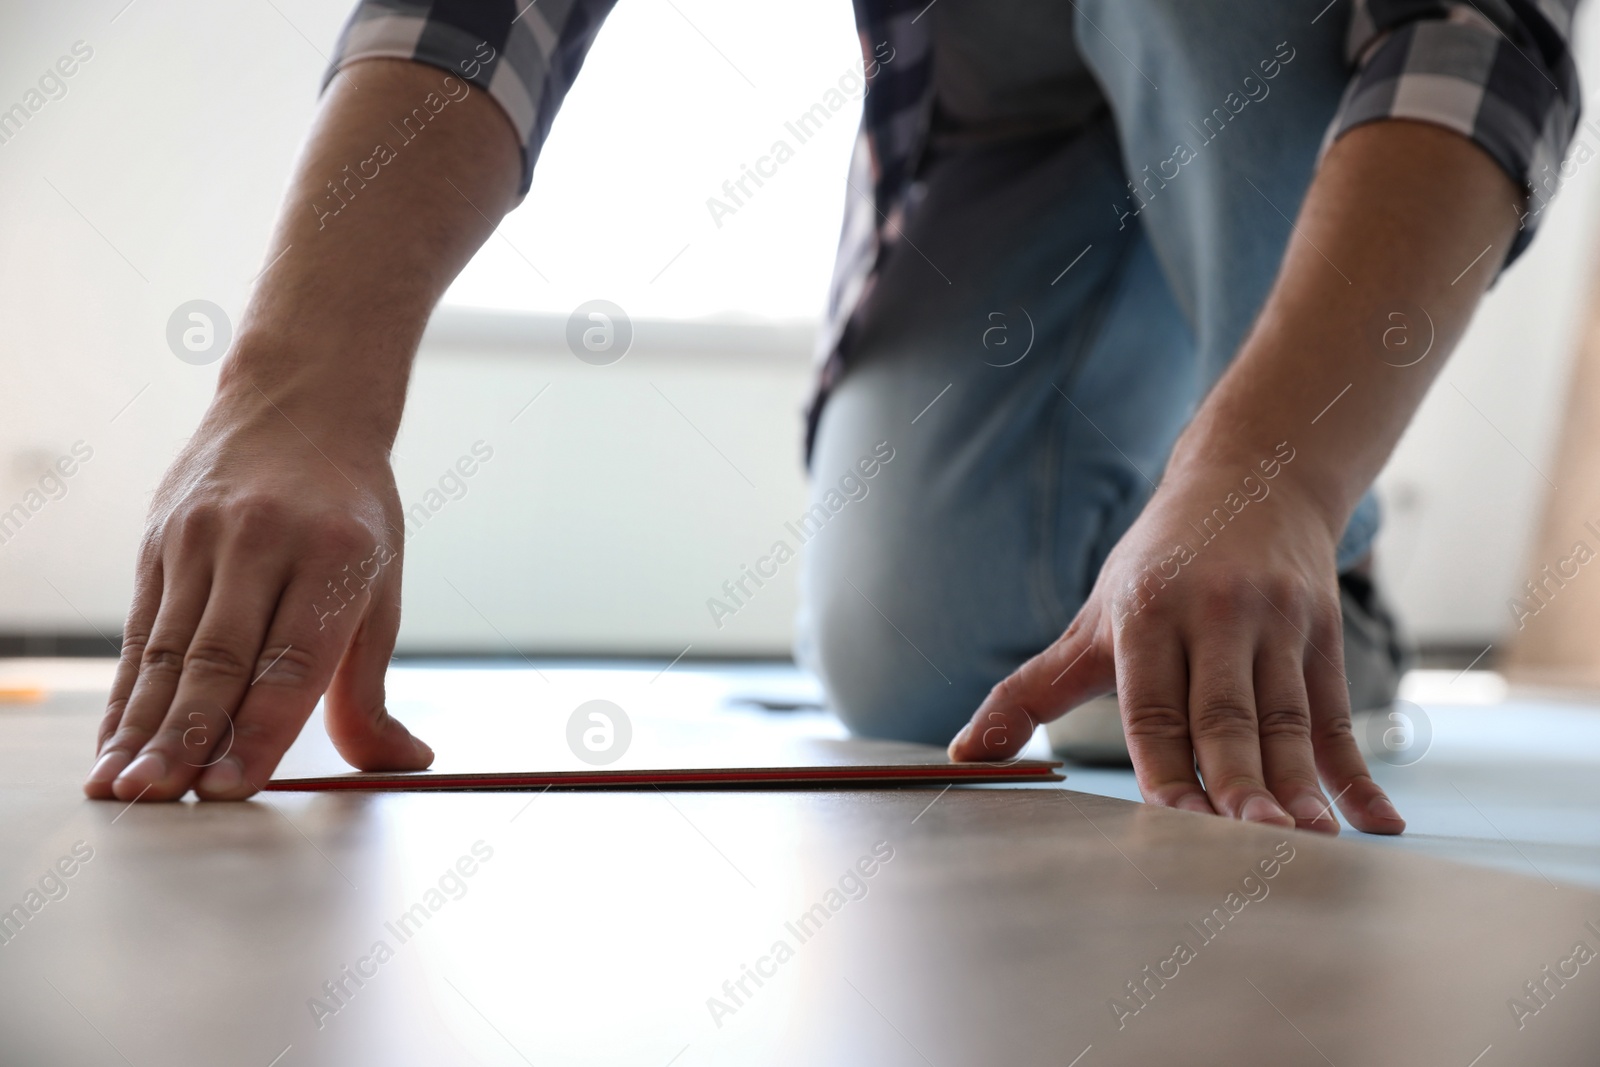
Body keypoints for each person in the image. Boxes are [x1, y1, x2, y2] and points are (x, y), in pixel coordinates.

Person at [83, 0, 1579, 835]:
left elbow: (1483, 39)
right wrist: (294, 392)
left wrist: (1275, 475)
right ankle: (1205, 556)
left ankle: (1316, 575)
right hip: (1000, 105)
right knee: (923, 665)